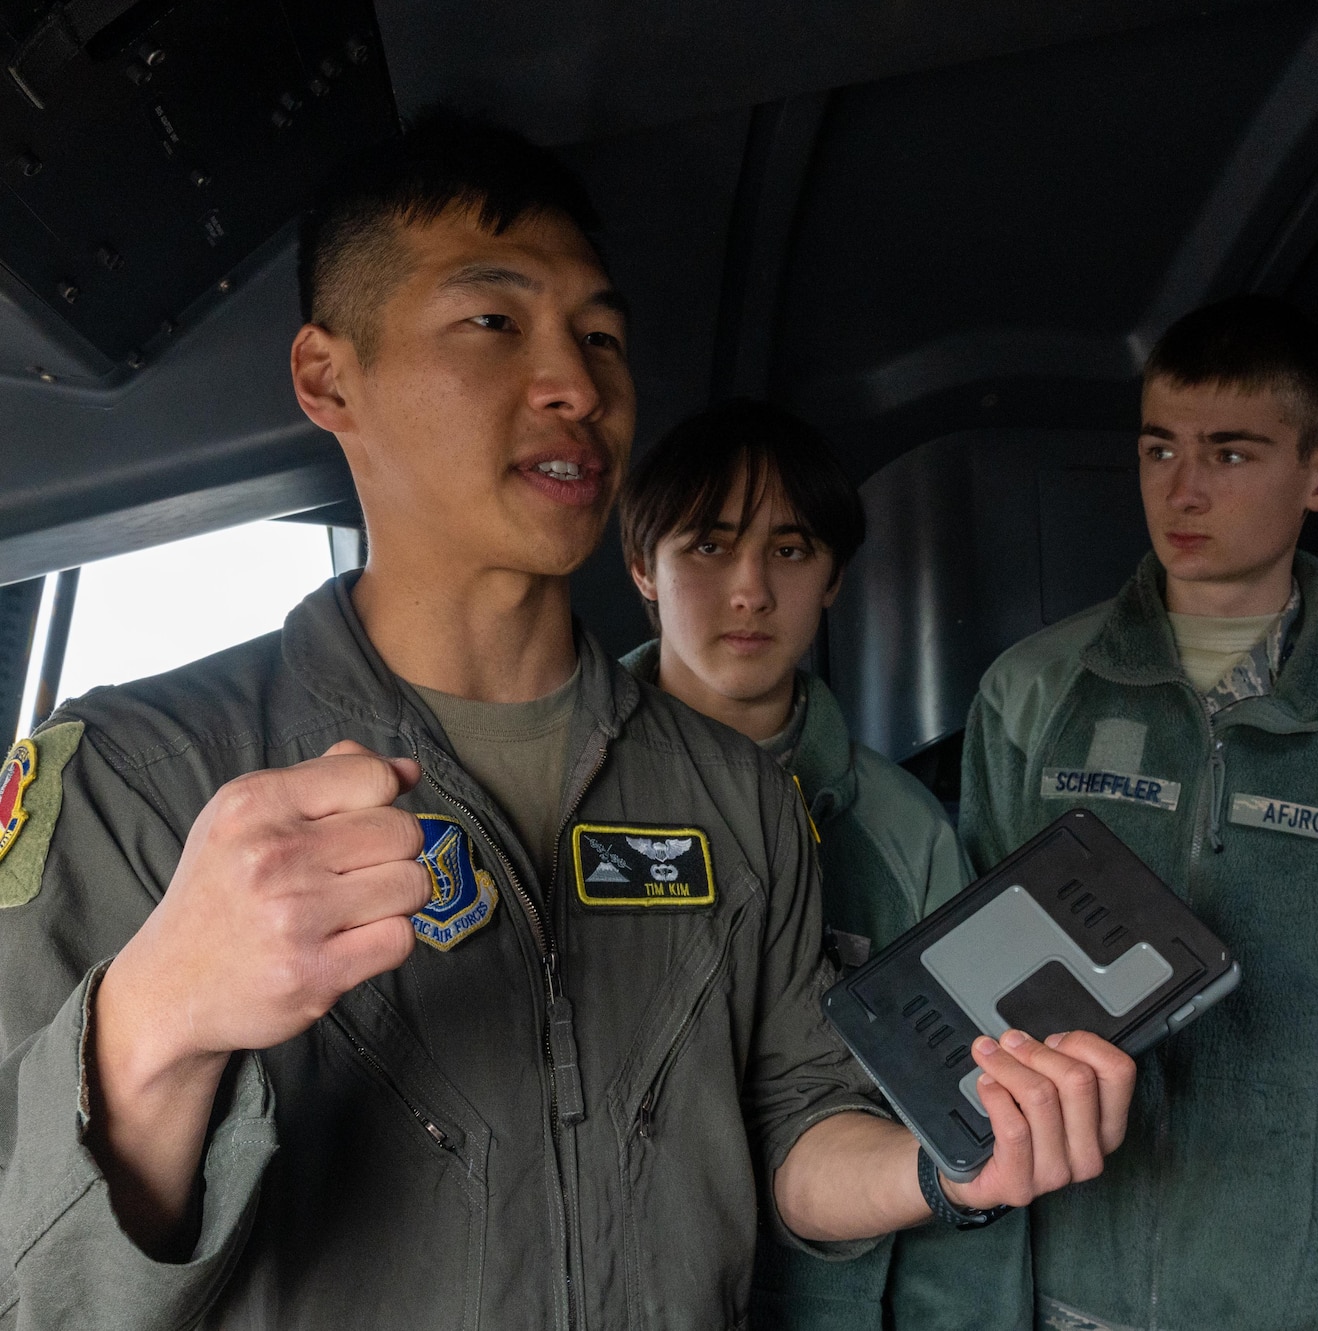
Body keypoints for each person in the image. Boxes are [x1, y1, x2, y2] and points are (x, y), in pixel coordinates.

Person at [0, 113, 1133, 1330]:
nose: (578, 385)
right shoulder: (141, 773)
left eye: (601, 337)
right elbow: (39, 1282)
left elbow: (790, 1120)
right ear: (330, 376)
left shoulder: (732, 790)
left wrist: (947, 1162)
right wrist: (158, 1013)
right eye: (494, 322)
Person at [958, 294, 1318, 1331]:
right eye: (1158, 448)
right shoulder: (1034, 692)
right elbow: (965, 1002)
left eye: (1228, 454)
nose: (1181, 487)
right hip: (1080, 1293)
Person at [618, 398, 1032, 1331]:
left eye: (791, 550)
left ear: (835, 574)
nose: (752, 589)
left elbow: (965, 1130)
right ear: (644, 565)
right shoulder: (561, 793)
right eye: (710, 547)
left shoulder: (903, 834)